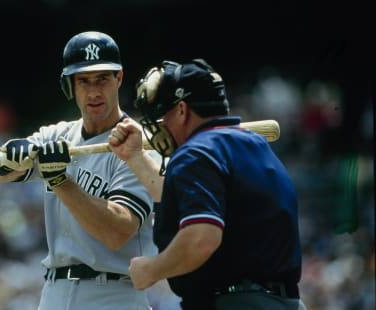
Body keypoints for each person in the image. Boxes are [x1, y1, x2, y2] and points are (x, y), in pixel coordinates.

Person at [0, 31, 180, 310]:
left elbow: (117, 233)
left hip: (113, 293)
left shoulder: (136, 143)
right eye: (83, 80)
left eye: (102, 79)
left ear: (118, 78)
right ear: (69, 85)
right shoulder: (59, 134)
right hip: (53, 293)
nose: (94, 91)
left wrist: (61, 181)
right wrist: (7, 156)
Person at [108, 58, 307, 309]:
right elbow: (182, 202)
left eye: (164, 115)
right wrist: (136, 158)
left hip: (233, 302)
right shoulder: (254, 146)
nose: (162, 125)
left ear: (182, 110)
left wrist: (151, 269)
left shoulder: (195, 153)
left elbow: (202, 238)